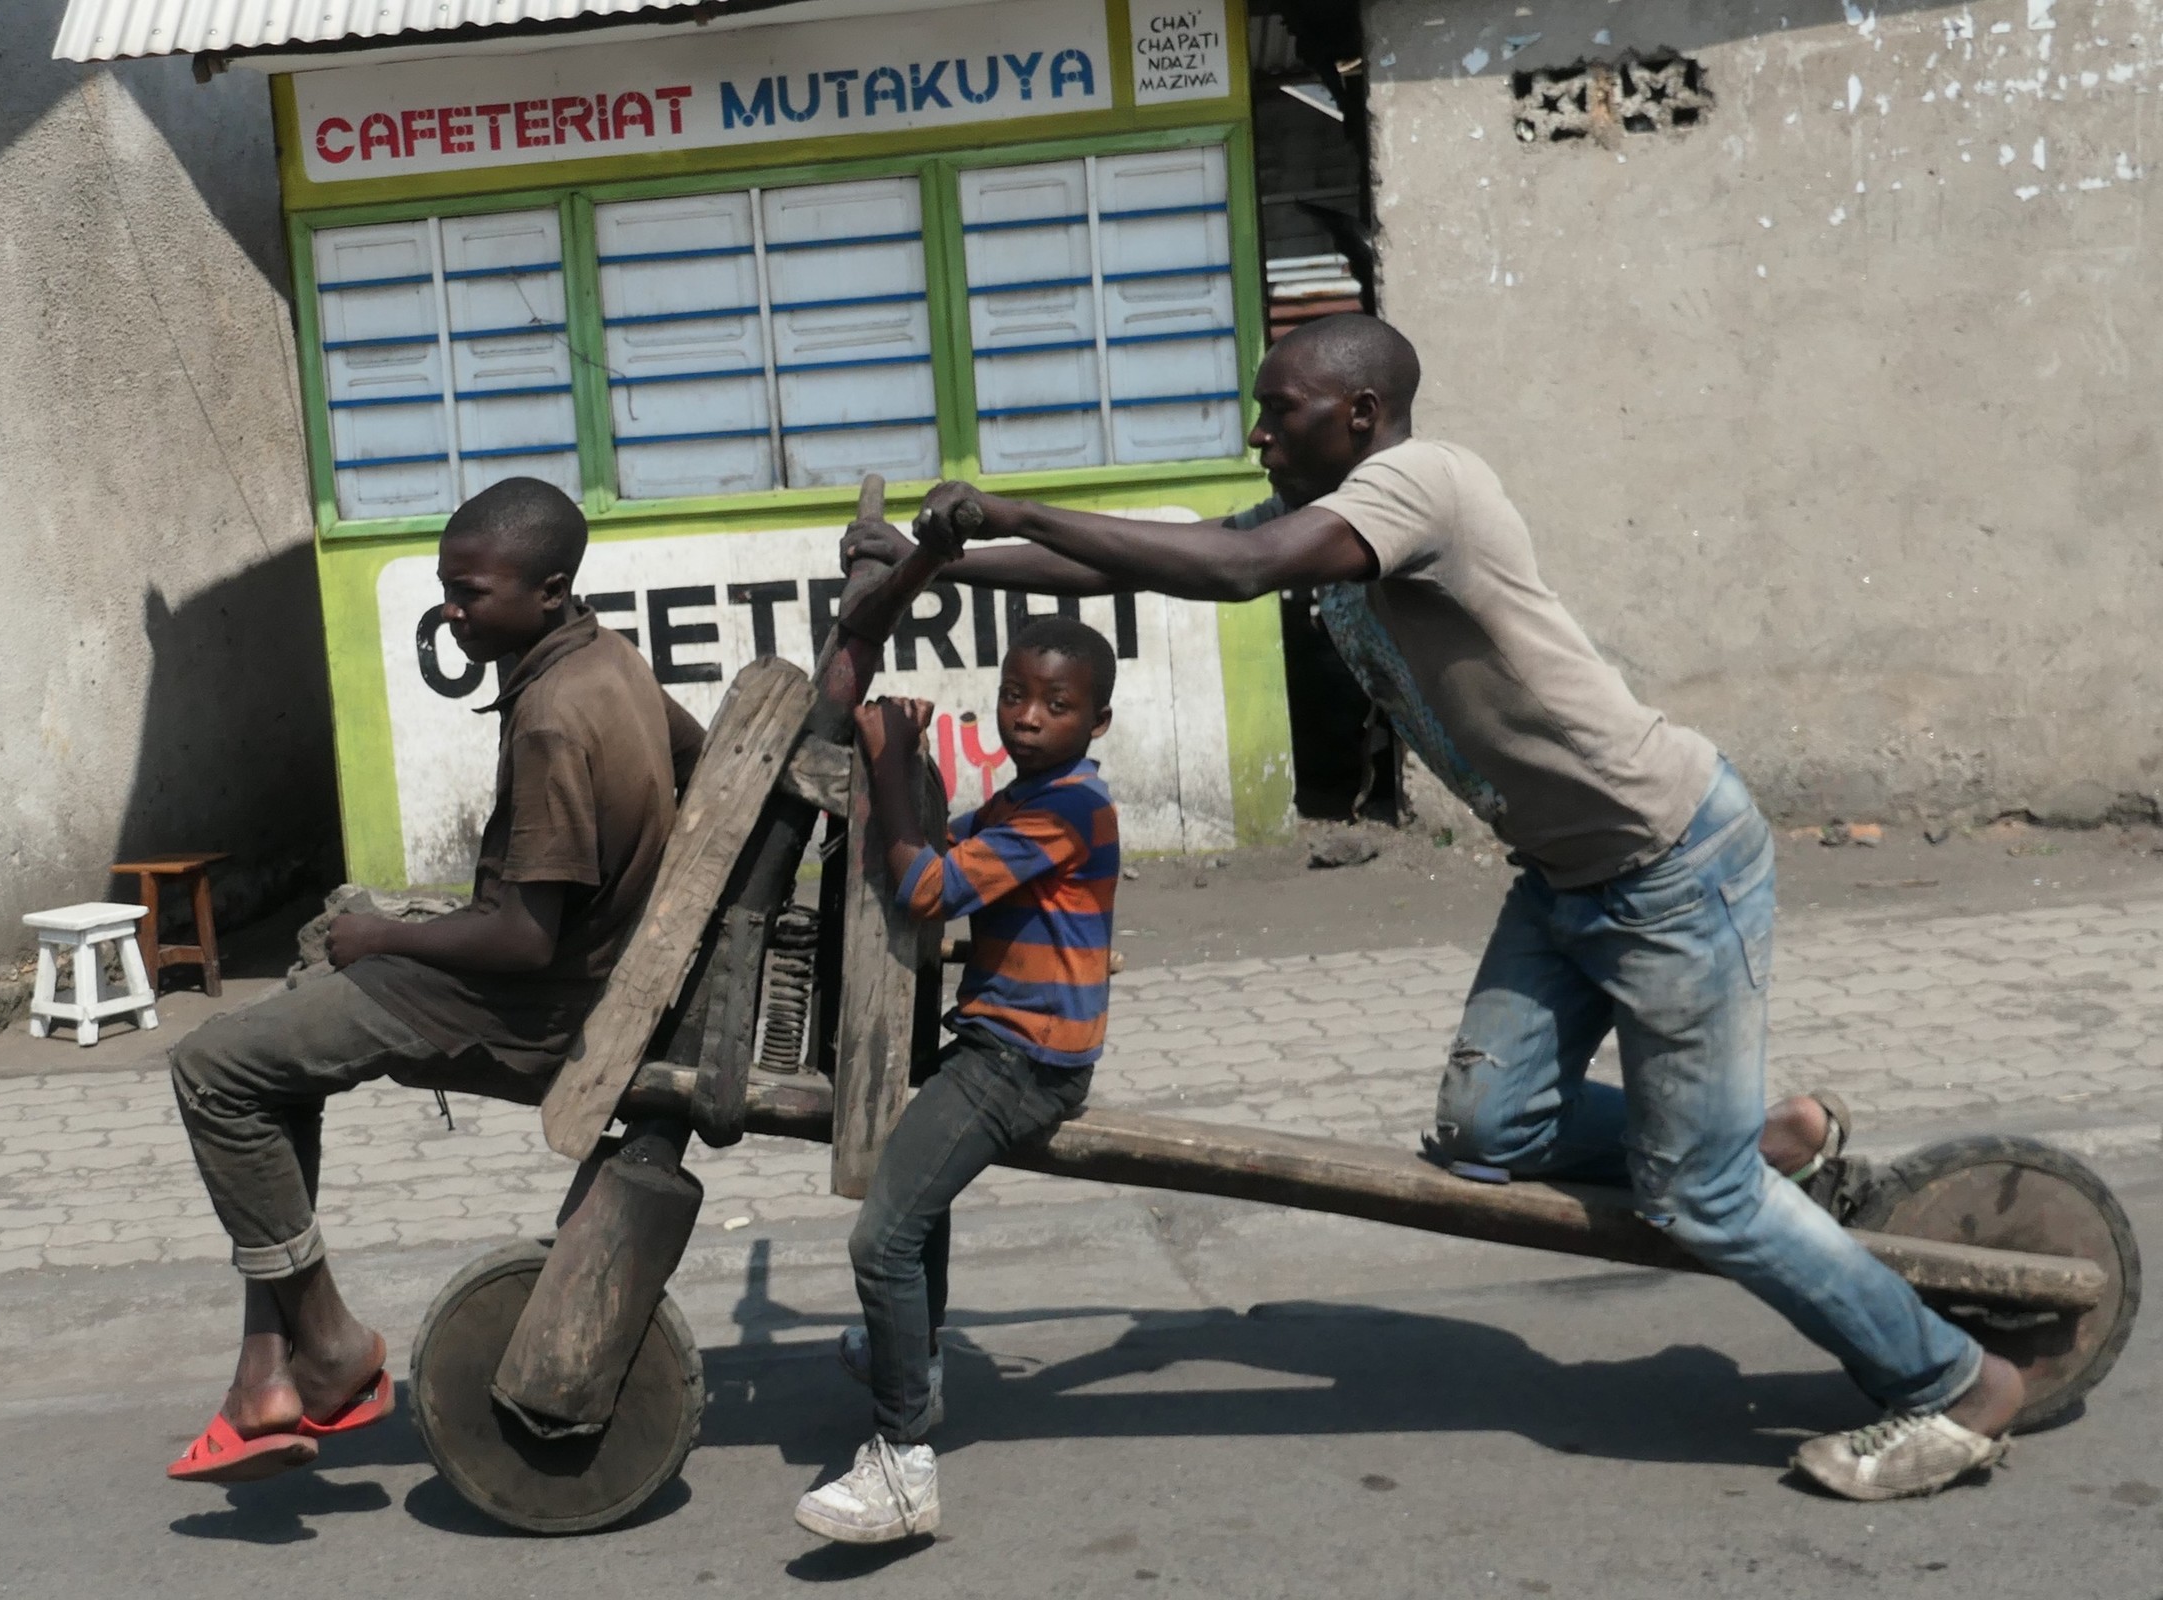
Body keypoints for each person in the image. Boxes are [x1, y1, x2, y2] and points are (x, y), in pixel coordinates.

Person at [842, 314, 2021, 1503]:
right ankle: (1751, 1138)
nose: (1258, 431)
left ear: (1359, 415)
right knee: (1486, 1133)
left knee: (1696, 1198)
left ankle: (1953, 1384)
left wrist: (1014, 508)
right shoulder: (1336, 520)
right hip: (1565, 874)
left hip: (1670, 864)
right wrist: (938, 561)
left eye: (1280, 410)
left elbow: (1237, 569)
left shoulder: (1420, 483)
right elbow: (1158, 557)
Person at [164, 477, 704, 1485]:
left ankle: (323, 1344)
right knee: (279, 1036)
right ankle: (265, 1366)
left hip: (528, 1007)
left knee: (212, 1068)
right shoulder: (606, 655)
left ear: (547, 590)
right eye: (446, 588)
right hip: (580, 976)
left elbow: (522, 939)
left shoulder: (552, 714)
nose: (452, 610)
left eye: (472, 592)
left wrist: (385, 936)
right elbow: (696, 754)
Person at [794, 616, 1122, 1543]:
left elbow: (928, 887)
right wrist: (888, 771)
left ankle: (901, 1468)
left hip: (1026, 1062)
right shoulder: (1027, 800)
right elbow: (940, 840)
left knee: (881, 1240)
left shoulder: (1069, 810)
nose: (1027, 717)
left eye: (1056, 706)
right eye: (1015, 696)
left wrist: (895, 751)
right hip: (1002, 1045)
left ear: (1096, 724)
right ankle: (920, 1361)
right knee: (916, 1196)